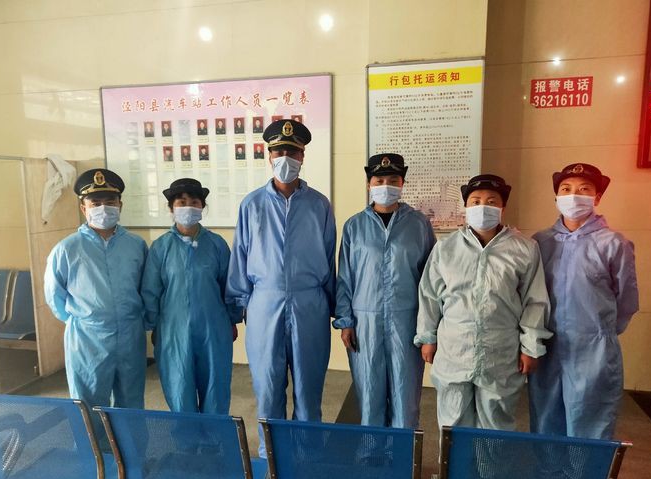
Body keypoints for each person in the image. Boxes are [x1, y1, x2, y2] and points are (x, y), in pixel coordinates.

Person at [227, 118, 336, 456]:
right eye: (279, 152)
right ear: (269, 155)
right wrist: (236, 308)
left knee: (308, 387)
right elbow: (240, 256)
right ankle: (271, 460)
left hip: (310, 304)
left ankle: (308, 457)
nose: (285, 157)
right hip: (264, 304)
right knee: (268, 387)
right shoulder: (252, 205)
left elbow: (329, 257)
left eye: (293, 152)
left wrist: (335, 309)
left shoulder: (319, 205)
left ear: (303, 156)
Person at [415, 174, 551, 430]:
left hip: (500, 351)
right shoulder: (446, 247)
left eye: (491, 201)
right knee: (453, 421)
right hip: (454, 349)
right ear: (466, 206)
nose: (482, 207)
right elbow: (430, 295)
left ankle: (490, 459)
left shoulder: (524, 248)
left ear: (503, 207)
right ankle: (454, 460)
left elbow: (535, 301)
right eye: (475, 201)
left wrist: (530, 346)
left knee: (496, 423)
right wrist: (427, 337)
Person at [529, 163, 638, 440]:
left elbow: (626, 300)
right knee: (545, 419)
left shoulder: (613, 244)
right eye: (566, 189)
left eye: (584, 189)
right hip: (547, 346)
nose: (573, 196)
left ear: (597, 197)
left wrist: (600, 333)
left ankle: (584, 470)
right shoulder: (540, 242)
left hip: (593, 349)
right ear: (556, 197)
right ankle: (549, 468)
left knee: (590, 422)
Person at [335, 154, 436, 428]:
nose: (386, 186)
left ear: (402, 183)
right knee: (369, 394)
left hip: (407, 320)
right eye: (379, 180)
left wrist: (429, 328)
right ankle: (373, 447)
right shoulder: (355, 226)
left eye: (393, 180)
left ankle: (403, 449)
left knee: (406, 395)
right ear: (369, 184)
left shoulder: (419, 224)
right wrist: (345, 321)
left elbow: (430, 280)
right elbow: (345, 277)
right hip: (364, 321)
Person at [44, 168, 147, 409]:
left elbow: (146, 287)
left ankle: (129, 437)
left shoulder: (136, 245)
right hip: (87, 338)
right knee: (88, 404)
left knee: (131, 402)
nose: (103, 208)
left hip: (130, 335)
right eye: (96, 203)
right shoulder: (67, 249)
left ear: (120, 205)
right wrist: (85, 321)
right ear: (84, 208)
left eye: (110, 201)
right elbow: (54, 295)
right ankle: (94, 438)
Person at [142, 179, 240, 414]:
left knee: (215, 389)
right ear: (171, 208)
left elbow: (229, 286)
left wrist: (232, 319)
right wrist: (153, 324)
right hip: (173, 331)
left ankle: (215, 434)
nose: (188, 207)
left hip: (213, 329)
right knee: (179, 389)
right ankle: (186, 435)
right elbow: (151, 290)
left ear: (202, 206)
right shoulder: (161, 247)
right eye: (181, 202)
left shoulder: (216, 244)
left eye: (194, 202)